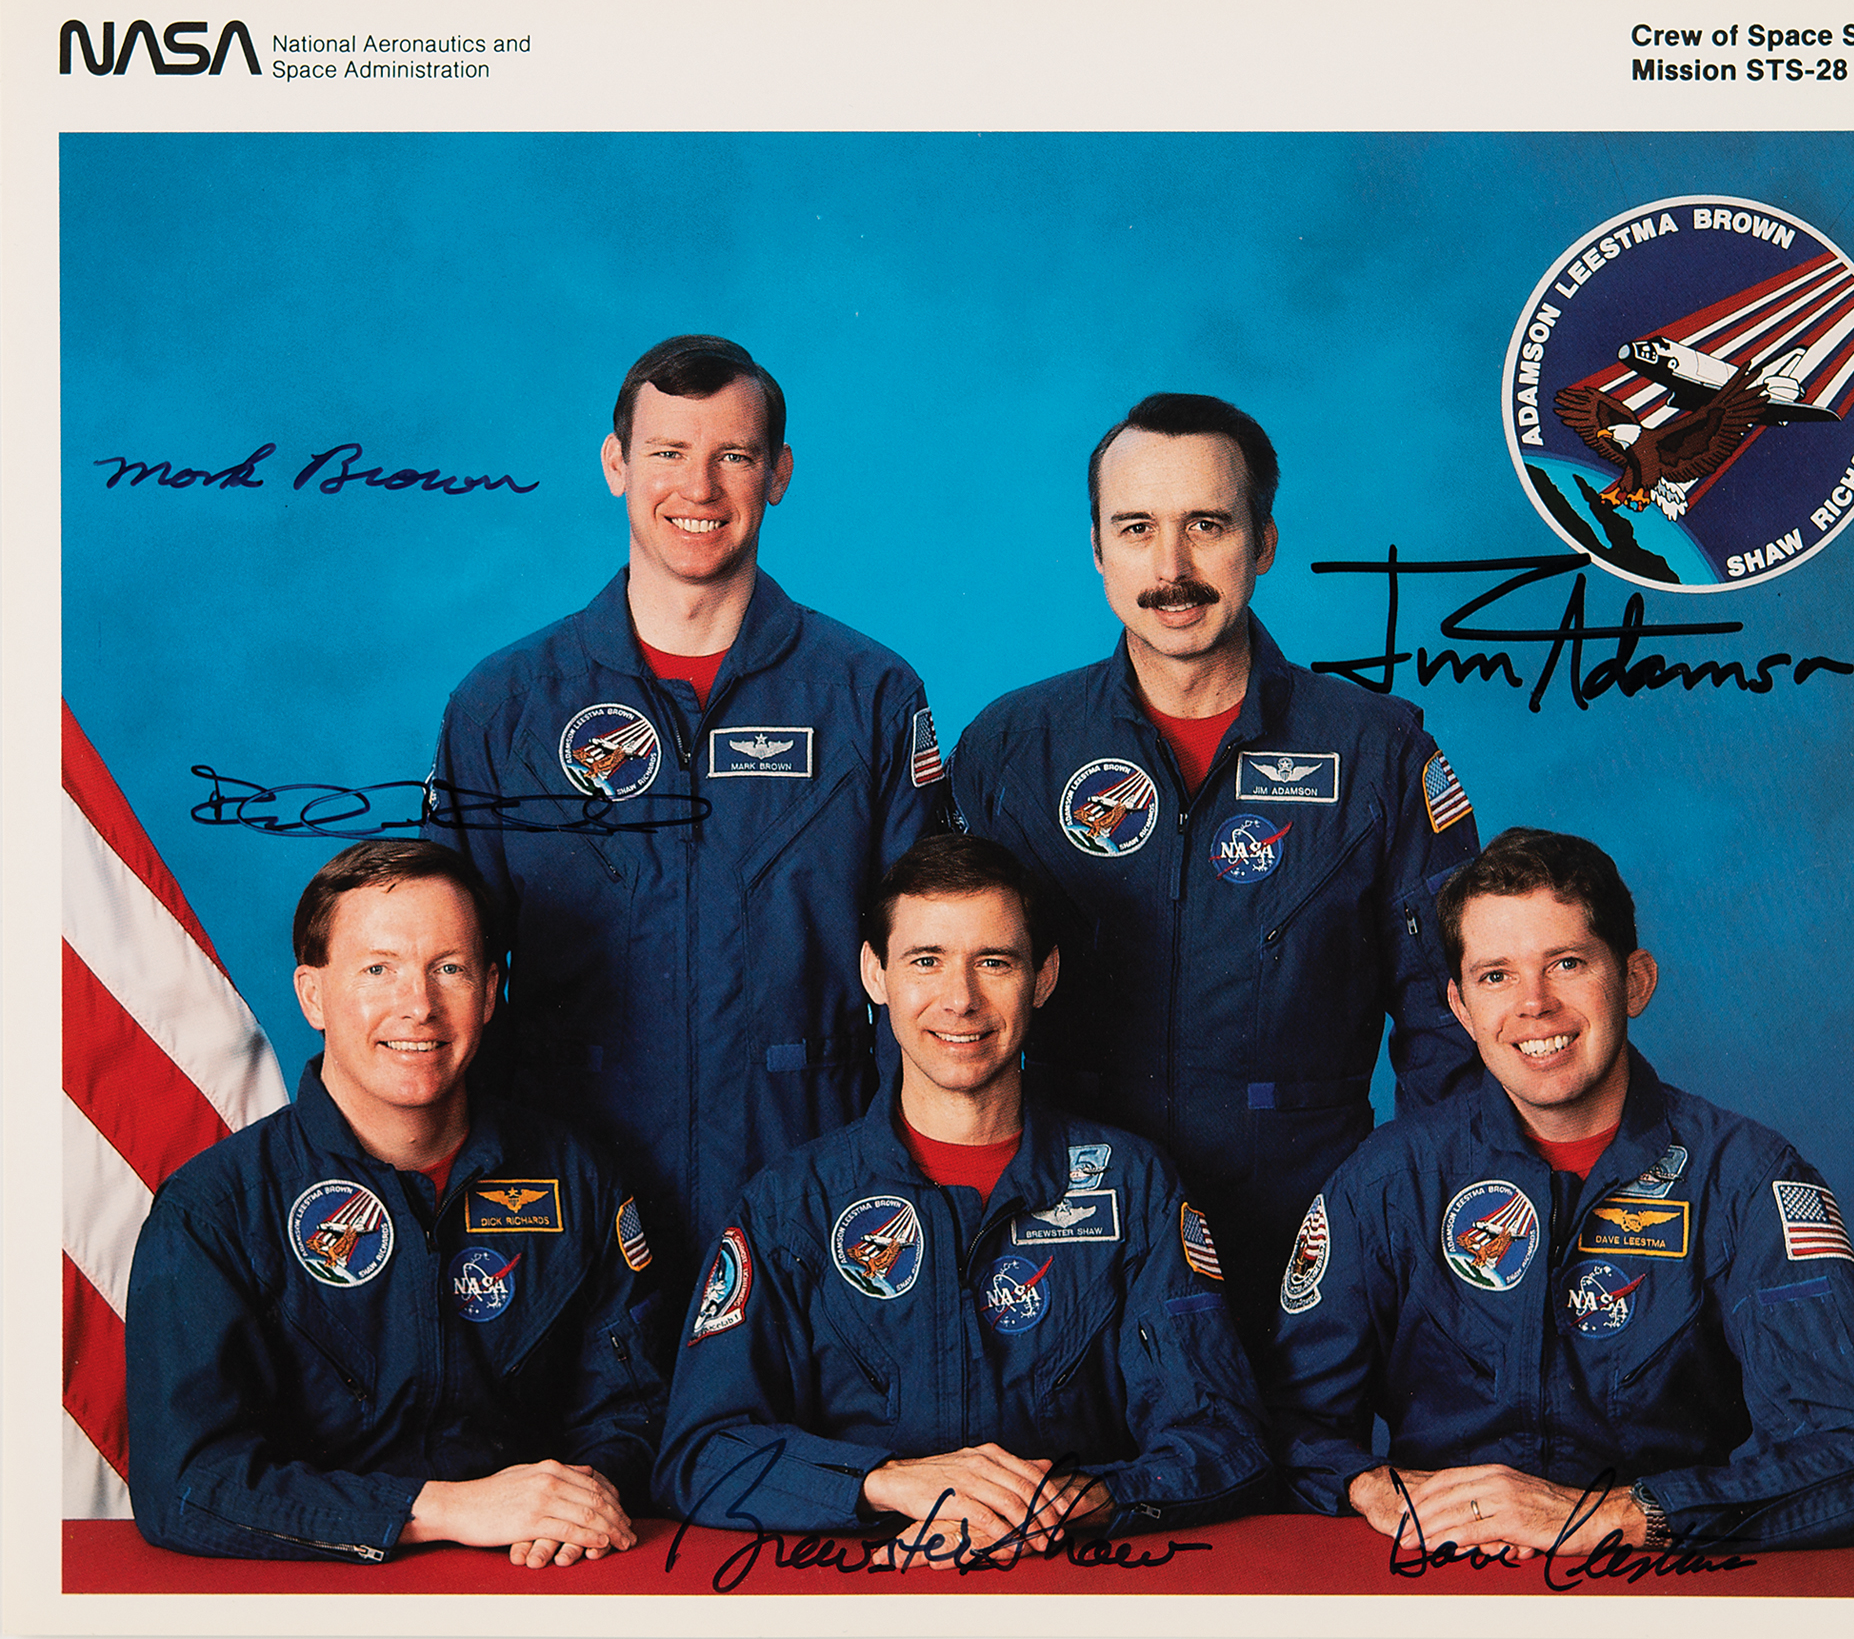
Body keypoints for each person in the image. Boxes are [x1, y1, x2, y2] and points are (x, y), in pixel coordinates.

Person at [948, 392, 1481, 1330]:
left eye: (1207, 525)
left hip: (1310, 1247)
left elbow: (1453, 1024)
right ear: (1097, 549)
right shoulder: (1013, 749)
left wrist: (1411, 1233)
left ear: (1263, 542)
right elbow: (934, 1006)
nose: (1172, 569)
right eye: (1137, 528)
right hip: (1066, 1250)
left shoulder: (1378, 755)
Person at [424, 335, 940, 1291]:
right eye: (667, 452)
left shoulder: (867, 696)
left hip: (807, 1189)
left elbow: (927, 966)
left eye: (733, 456)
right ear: (615, 463)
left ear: (778, 474)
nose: (698, 488)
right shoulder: (507, 707)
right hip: (564, 1202)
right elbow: (444, 970)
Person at [1264, 827, 1854, 1553]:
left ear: (1634, 982)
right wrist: (1369, 1487)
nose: (1534, 1005)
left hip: (1659, 1578)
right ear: (1460, 1008)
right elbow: (1284, 1425)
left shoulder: (1747, 1183)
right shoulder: (1388, 1183)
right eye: (1496, 976)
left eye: (1566, 964)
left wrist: (1611, 1515)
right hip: (1443, 1574)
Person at [654, 836, 1270, 1556]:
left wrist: (1066, 1502)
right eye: (926, 961)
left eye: (994, 962)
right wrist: (886, 1482)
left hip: (1071, 1577)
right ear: (875, 974)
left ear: (1043, 977)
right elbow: (701, 1454)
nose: (960, 1000)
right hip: (866, 1587)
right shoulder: (793, 1206)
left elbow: (1224, 1437)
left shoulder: (1133, 1189)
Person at [126, 841, 665, 1564]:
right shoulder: (215, 1211)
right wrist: (444, 1509)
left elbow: (632, 1412)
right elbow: (186, 1486)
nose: (418, 1006)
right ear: (313, 996)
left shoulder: (577, 1180)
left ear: (490, 992)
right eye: (378, 969)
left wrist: (577, 1498)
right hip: (312, 1588)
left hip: (533, 1570)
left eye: (450, 969)